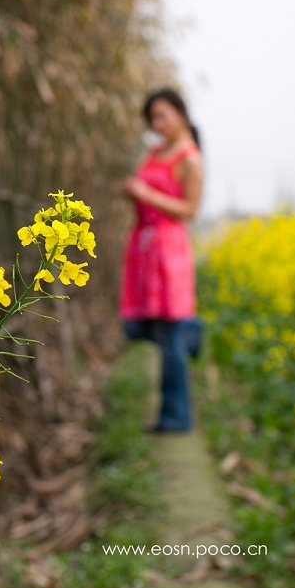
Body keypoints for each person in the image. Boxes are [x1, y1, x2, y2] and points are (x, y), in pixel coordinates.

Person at [119, 88, 204, 433]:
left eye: (161, 116)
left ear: (181, 114)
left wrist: (147, 194)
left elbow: (190, 209)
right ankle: (193, 333)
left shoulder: (189, 158)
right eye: (152, 118)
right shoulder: (156, 150)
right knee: (136, 325)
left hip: (168, 250)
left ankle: (175, 418)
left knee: (167, 336)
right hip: (144, 246)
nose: (157, 124)